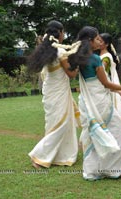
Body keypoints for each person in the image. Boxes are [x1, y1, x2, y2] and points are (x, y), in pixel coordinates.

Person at [65, 26, 121, 180]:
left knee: (92, 135)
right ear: (89, 40)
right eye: (97, 38)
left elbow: (71, 74)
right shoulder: (95, 58)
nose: (100, 41)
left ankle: (93, 170)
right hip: (100, 100)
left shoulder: (78, 58)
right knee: (118, 131)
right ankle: (112, 168)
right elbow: (106, 84)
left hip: (87, 101)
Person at [27, 20, 80, 169]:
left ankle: (60, 155)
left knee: (55, 123)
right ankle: (39, 156)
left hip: (51, 91)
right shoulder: (60, 51)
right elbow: (71, 74)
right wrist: (78, 63)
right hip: (58, 92)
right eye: (63, 32)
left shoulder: (46, 50)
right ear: (60, 33)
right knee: (61, 124)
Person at [98, 33, 121, 135]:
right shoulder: (102, 55)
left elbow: (103, 72)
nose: (98, 42)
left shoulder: (106, 57)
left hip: (108, 84)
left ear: (106, 44)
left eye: (101, 41)